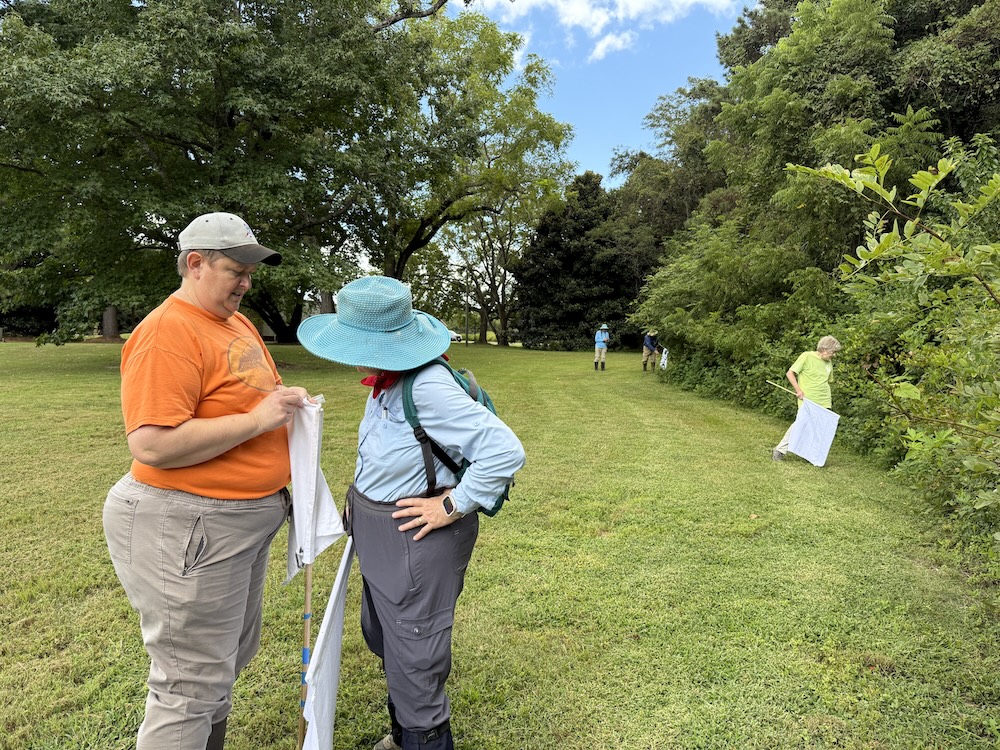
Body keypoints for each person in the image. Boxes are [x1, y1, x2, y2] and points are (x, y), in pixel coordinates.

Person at [102, 212, 311, 750]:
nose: (245, 282)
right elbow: (151, 443)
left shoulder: (233, 322)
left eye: (250, 272)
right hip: (186, 521)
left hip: (236, 523)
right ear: (195, 264)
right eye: (235, 270)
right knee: (188, 684)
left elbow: (248, 397)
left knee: (223, 662)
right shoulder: (167, 332)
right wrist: (259, 421)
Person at [296, 276, 526, 750]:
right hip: (384, 540)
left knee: (415, 652)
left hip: (415, 545)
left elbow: (504, 451)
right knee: (390, 639)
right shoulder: (389, 381)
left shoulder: (427, 386)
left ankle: (421, 737)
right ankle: (403, 738)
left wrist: (451, 504)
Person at [772, 335, 842, 461]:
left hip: (824, 400)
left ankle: (812, 456)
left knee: (819, 428)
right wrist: (798, 390)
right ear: (824, 349)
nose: (834, 355)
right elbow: (790, 373)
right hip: (808, 399)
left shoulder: (828, 362)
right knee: (801, 424)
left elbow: (827, 381)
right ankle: (780, 450)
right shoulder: (807, 356)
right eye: (833, 352)